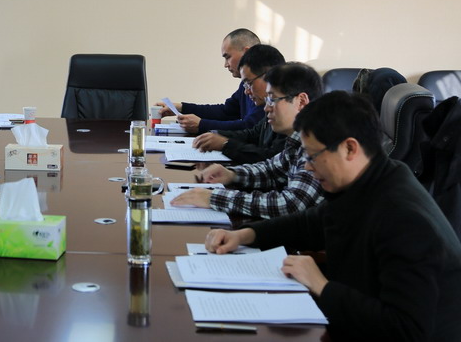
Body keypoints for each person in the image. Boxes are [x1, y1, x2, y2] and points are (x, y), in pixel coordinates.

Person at [205, 92, 461, 342]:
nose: (307, 166)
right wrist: (246, 235)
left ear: (349, 148)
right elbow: (314, 221)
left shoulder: (405, 219)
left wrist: (321, 285)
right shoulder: (375, 177)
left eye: (313, 156)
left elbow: (405, 329)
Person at [171, 62, 324, 219]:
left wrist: (214, 198)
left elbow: (289, 205)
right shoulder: (298, 140)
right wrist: (232, 174)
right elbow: (272, 171)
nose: (266, 108)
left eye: (272, 99)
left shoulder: (320, 143)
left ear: (301, 101)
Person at [192, 44, 287, 164]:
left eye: (249, 83)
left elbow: (272, 160)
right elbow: (252, 134)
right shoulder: (270, 106)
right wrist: (215, 135)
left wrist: (225, 144)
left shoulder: (289, 113)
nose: (246, 91)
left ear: (269, 76)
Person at [159, 28, 264, 134]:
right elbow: (226, 112)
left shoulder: (266, 85)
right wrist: (182, 108)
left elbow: (251, 126)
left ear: (247, 52)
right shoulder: (245, 84)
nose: (225, 65)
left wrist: (202, 125)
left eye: (228, 57)